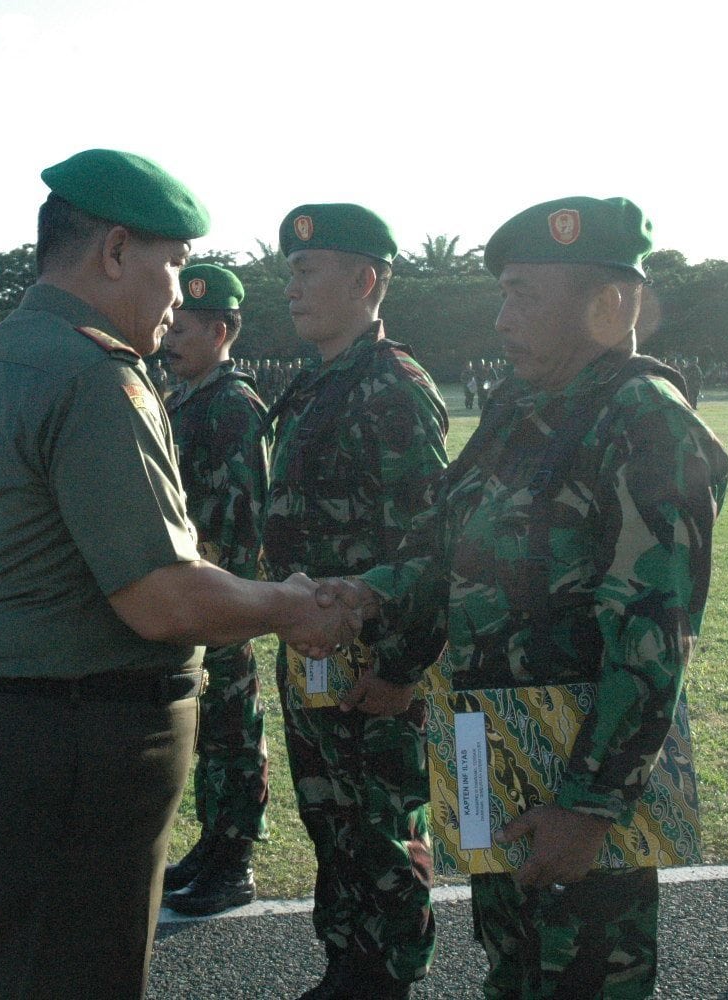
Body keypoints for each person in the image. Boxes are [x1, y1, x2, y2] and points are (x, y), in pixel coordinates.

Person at [0, 148, 359, 1000]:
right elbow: (162, 597)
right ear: (115, 251)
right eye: (172, 266)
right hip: (88, 742)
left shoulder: (4, 359)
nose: (177, 295)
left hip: (22, 726)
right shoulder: (95, 375)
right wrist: (291, 604)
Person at [323, 196, 728, 999]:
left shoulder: (645, 420)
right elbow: (446, 550)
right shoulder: (519, 407)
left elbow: (653, 635)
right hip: (501, 753)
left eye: (523, 296)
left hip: (580, 773)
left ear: (608, 305)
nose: (501, 321)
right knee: (513, 972)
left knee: (581, 977)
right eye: (501, 294)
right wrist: (364, 594)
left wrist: (589, 806)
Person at [263, 203, 450, 1000]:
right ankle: (347, 965)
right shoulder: (316, 383)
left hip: (376, 663)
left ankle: (389, 979)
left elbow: (432, 549)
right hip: (313, 655)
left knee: (382, 830)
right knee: (330, 824)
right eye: (291, 272)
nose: (292, 288)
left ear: (365, 280)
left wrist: (405, 668)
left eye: (308, 271)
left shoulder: (393, 389)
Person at [158, 263, 271, 916]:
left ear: (222, 330)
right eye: (169, 322)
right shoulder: (186, 397)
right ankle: (213, 845)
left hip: (219, 592)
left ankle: (236, 861)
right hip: (190, 592)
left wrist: (209, 587)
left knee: (232, 727)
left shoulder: (234, 404)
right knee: (208, 728)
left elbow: (239, 513)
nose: (170, 337)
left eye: (185, 327)